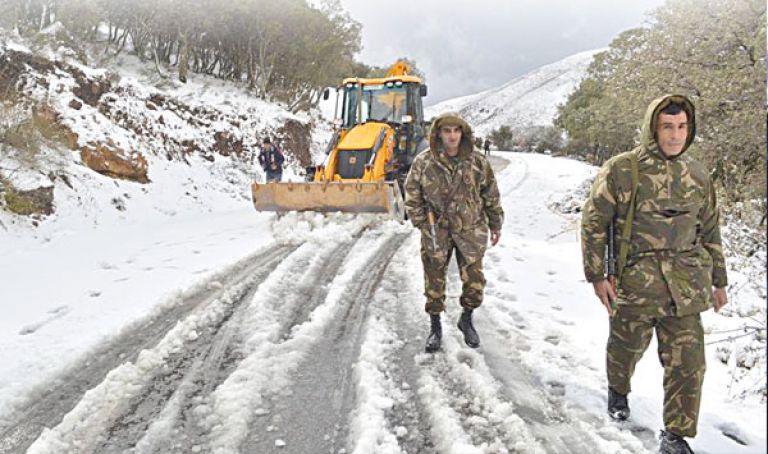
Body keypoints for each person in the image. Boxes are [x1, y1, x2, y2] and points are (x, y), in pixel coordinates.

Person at [581, 94, 728, 454]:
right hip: (635, 282)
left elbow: (710, 228)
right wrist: (597, 275)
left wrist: (719, 280)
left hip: (686, 286)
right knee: (625, 348)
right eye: (667, 127)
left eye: (682, 127)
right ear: (653, 128)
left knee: (689, 364)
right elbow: (594, 222)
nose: (676, 135)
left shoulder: (697, 174)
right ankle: (618, 390)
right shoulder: (623, 169)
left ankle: (675, 435)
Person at [404, 112, 503, 353]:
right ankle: (435, 327)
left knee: (475, 283)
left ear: (463, 133)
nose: (451, 136)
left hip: (470, 229)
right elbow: (412, 193)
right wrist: (422, 223)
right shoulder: (424, 162)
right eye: (446, 131)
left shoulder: (477, 162)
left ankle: (466, 319)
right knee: (434, 281)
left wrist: (495, 223)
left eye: (456, 131)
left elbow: (490, 193)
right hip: (436, 231)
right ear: (438, 133)